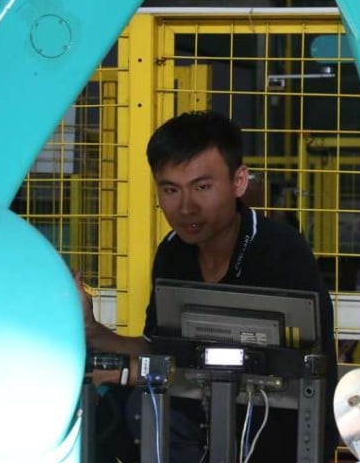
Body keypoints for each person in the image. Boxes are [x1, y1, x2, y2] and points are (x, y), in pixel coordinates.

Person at [79, 110, 338, 463]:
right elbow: (159, 352)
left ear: (239, 182)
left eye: (202, 187)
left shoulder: (280, 252)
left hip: (275, 433)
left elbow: (305, 373)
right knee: (106, 411)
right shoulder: (172, 253)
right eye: (170, 190)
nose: (186, 207)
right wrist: (92, 331)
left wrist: (141, 372)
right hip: (196, 421)